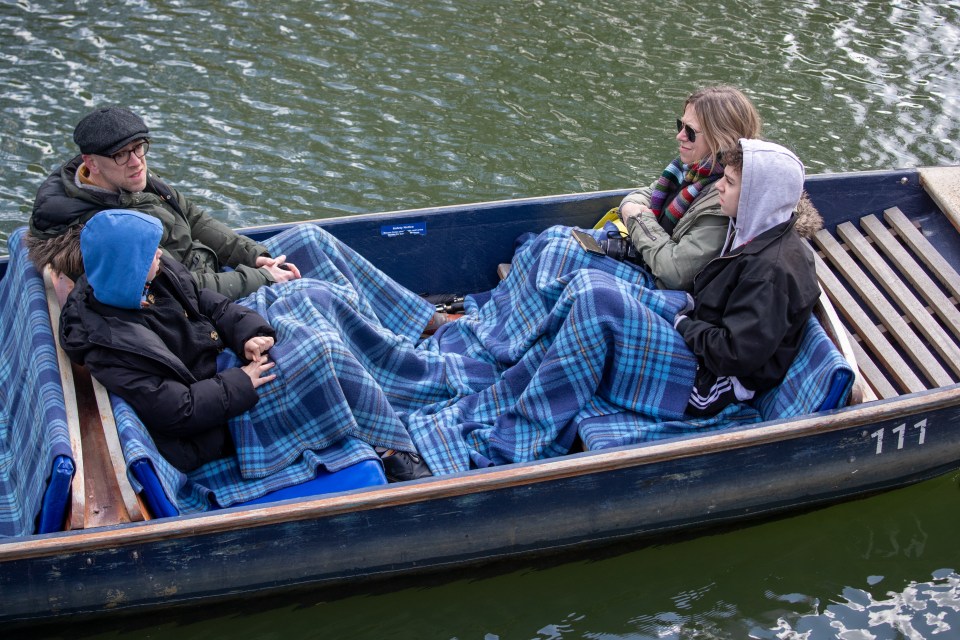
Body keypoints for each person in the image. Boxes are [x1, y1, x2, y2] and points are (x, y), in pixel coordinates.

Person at [27, 106, 300, 301]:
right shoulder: (107, 229)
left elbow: (192, 217)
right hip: (200, 305)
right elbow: (179, 286)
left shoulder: (128, 178)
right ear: (91, 163)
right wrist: (263, 278)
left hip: (213, 271)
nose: (136, 161)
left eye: (138, 147)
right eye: (120, 154)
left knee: (307, 236)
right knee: (313, 295)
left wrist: (251, 254)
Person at [674, 139, 823, 416]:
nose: (718, 186)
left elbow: (733, 355)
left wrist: (681, 324)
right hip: (701, 339)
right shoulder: (754, 232)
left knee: (601, 313)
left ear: (759, 197)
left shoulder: (769, 274)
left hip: (713, 385)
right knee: (603, 297)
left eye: (729, 183)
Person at [616, 85, 763, 291]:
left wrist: (637, 218)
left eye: (691, 132)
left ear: (721, 138)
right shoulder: (690, 170)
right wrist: (633, 208)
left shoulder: (725, 197)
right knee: (557, 238)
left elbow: (676, 273)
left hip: (660, 285)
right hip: (646, 259)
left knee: (567, 259)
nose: (680, 136)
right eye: (681, 126)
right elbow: (645, 194)